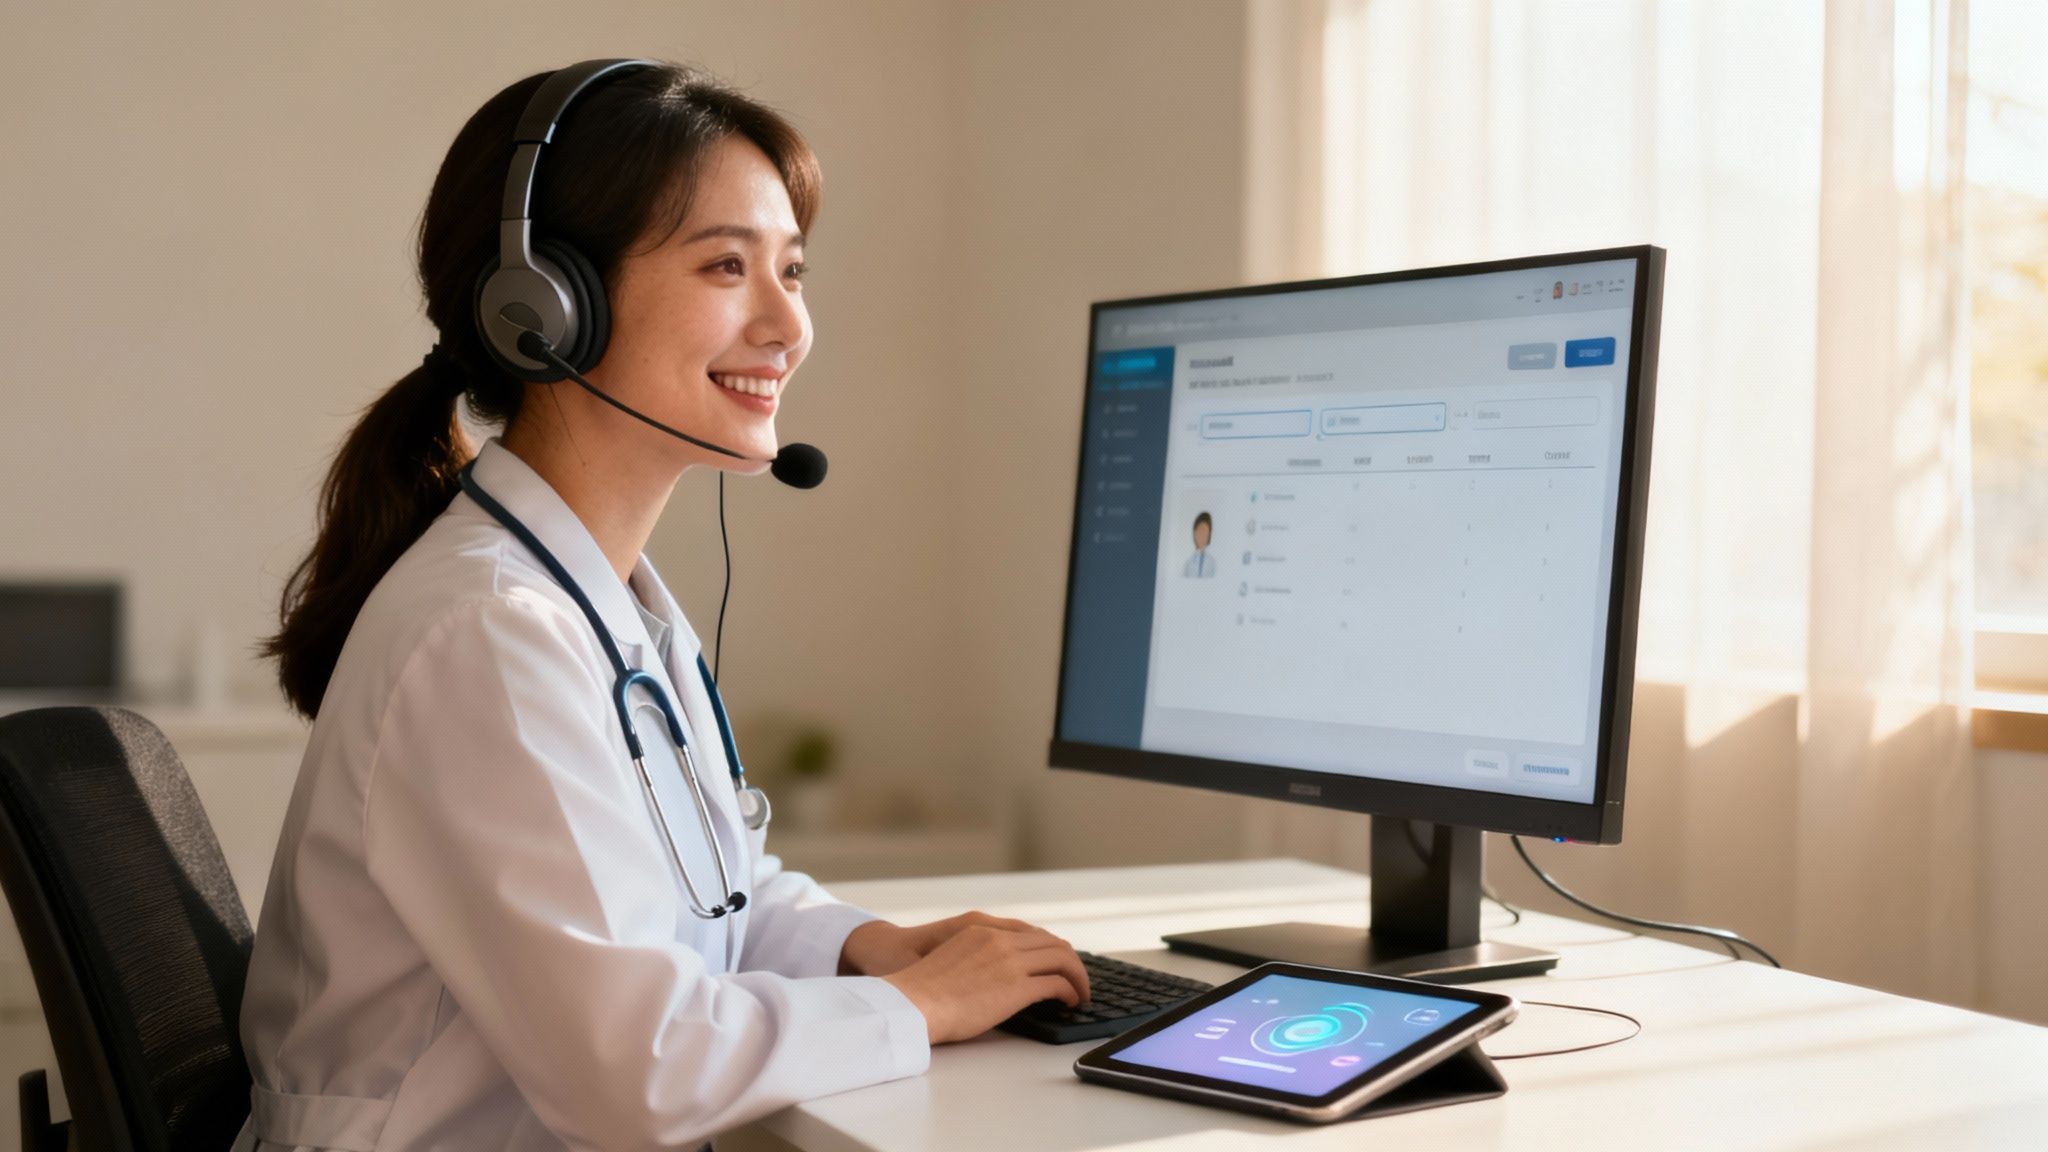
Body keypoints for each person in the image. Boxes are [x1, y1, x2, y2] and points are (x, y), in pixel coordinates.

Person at [236, 60, 1088, 1151]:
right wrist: (922, 1007)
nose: (789, 325)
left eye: (793, 270)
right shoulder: (488, 631)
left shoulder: (601, 606)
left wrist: (868, 947)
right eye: (727, 266)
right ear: (546, 309)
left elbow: (707, 896)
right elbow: (635, 1070)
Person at [1182, 511, 1217, 577]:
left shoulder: (1213, 563)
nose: (1202, 534)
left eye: (1205, 531)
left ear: (1209, 534)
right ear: (1194, 533)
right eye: (1200, 530)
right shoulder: (1188, 563)